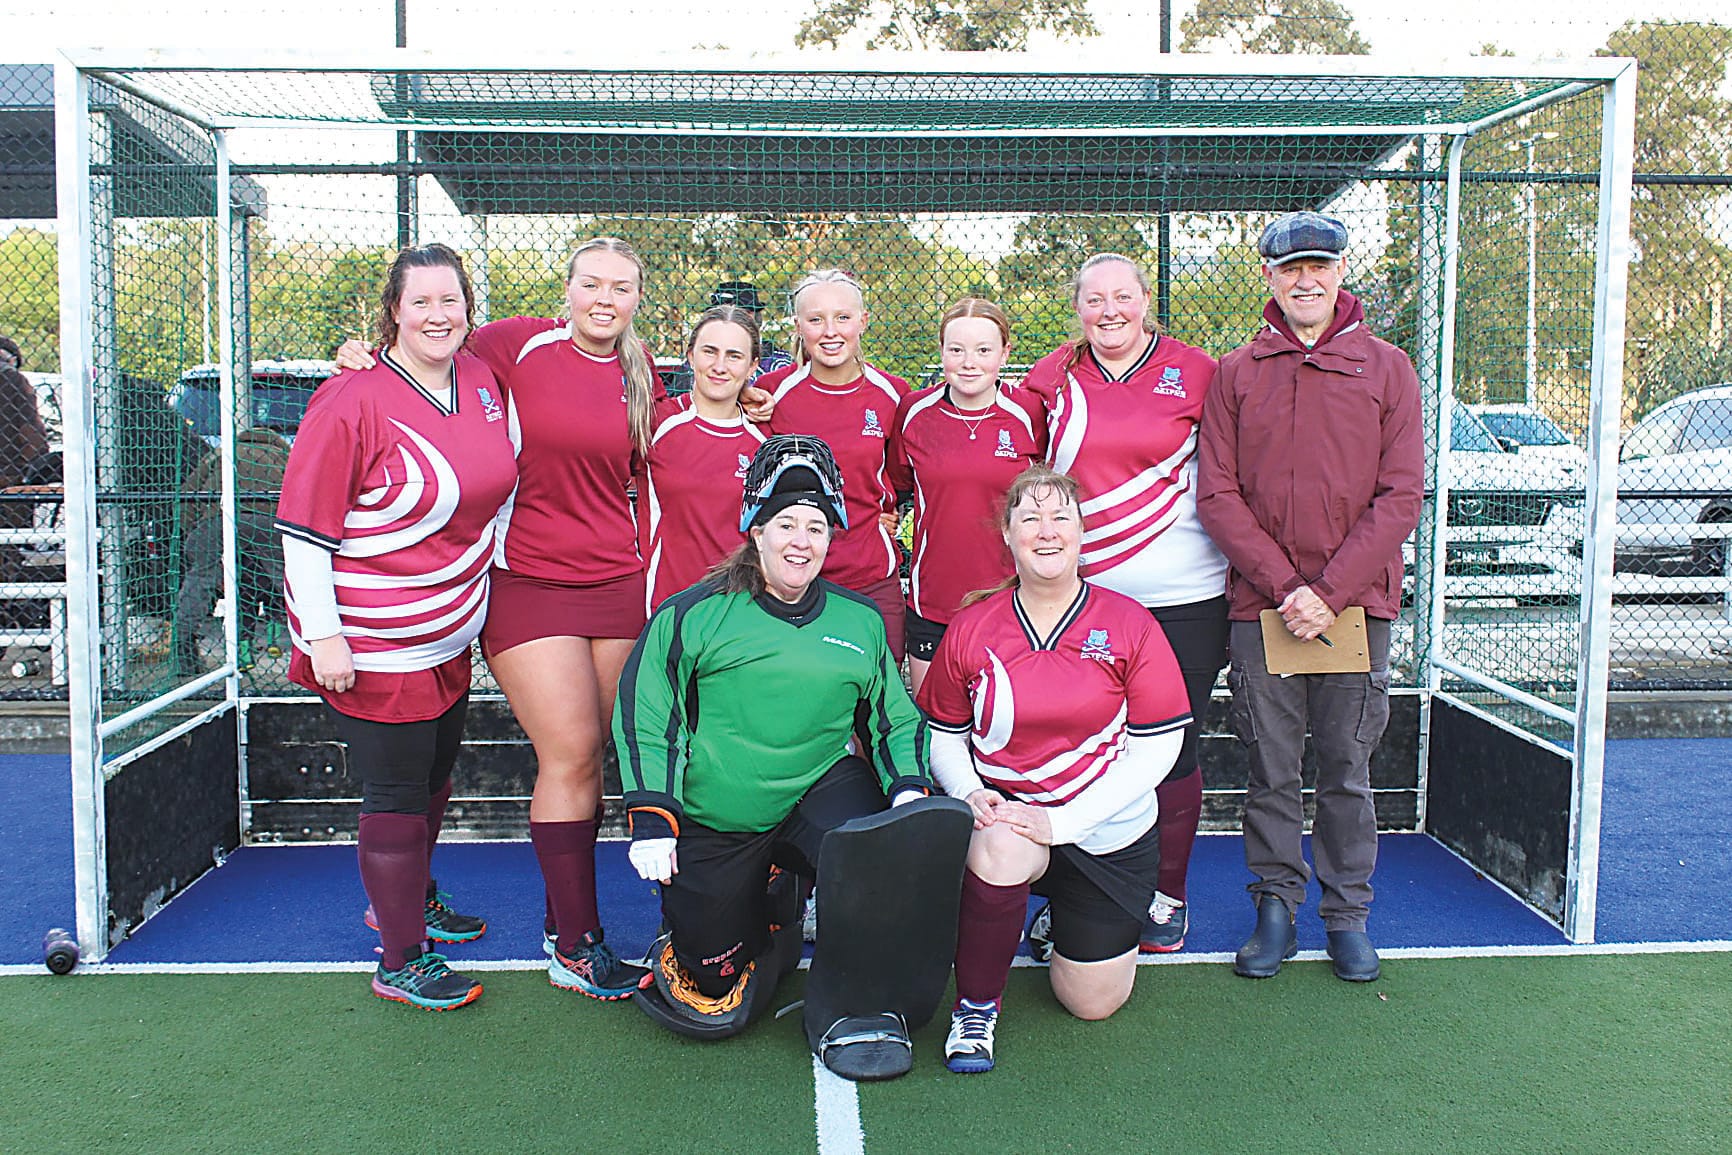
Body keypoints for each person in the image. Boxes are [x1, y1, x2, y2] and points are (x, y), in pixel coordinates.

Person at [334, 236, 672, 999]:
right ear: (569, 287)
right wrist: (361, 356)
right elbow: (421, 353)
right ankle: (577, 945)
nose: (604, 299)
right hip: (527, 581)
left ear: (637, 297)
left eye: (621, 287)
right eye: (591, 283)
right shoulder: (512, 345)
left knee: (607, 752)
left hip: (618, 583)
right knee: (573, 748)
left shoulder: (639, 368)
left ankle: (568, 922)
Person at [617, 435, 963, 1080]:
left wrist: (910, 786)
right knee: (715, 997)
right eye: (784, 524)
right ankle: (769, 911)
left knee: (876, 849)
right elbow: (647, 714)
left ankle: (853, 1007)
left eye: (816, 526)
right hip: (721, 810)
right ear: (754, 529)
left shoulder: (859, 621)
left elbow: (893, 716)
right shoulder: (693, 613)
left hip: (818, 790)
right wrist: (652, 814)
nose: (800, 540)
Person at [276, 243, 517, 1009]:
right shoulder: (351, 398)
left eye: (451, 300)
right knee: (395, 789)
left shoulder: (482, 380)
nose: (438, 315)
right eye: (421, 302)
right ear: (393, 312)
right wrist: (325, 635)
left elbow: (501, 482)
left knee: (437, 770)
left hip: (447, 631)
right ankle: (400, 956)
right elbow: (304, 528)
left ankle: (408, 897)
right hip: (373, 638)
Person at [1196, 211, 1424, 983]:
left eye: (1319, 266)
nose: (1305, 279)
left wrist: (1328, 593)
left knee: (1346, 765)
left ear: (1339, 272)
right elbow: (1218, 496)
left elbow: (1400, 497)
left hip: (1356, 608)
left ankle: (1347, 913)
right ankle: (1274, 907)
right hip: (1263, 608)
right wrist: (1288, 586)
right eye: (1290, 268)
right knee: (1270, 765)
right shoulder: (1237, 373)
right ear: (1268, 276)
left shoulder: (1387, 368)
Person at [918, 465, 1192, 1073]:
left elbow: (1159, 746)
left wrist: (1065, 821)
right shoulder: (972, 626)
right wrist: (968, 792)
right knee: (998, 850)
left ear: (1081, 531)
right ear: (1008, 536)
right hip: (1012, 819)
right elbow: (942, 733)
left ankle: (1058, 920)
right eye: (1030, 518)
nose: (1047, 531)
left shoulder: (1129, 623)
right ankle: (976, 1008)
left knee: (1092, 1003)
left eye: (1060, 517)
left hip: (1106, 831)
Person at [1019, 253, 1229, 954]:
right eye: (1093, 300)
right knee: (1084, 748)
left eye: (1123, 297)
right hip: (1085, 600)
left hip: (1185, 596)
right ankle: (1083, 895)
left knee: (1172, 748)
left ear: (1145, 300)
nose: (1109, 311)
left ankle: (1167, 896)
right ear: (1076, 307)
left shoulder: (1199, 370)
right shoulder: (1052, 376)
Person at [886, 298, 1043, 694]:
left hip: (1012, 598)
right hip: (934, 601)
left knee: (1006, 721)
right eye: (956, 350)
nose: (969, 362)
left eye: (983, 350)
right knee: (934, 725)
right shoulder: (914, 412)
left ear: (1005, 353)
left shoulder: (1029, 412)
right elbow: (897, 486)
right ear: (941, 351)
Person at [759, 269, 910, 657]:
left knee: (879, 695)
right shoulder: (771, 395)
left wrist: (887, 511)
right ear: (798, 326)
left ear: (863, 320)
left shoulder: (894, 395)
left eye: (842, 317)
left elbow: (898, 478)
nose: (830, 331)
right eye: (815, 319)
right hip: (792, 577)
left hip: (870, 574)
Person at [640, 304, 767, 615]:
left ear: (753, 367)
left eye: (734, 356)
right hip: (663, 606)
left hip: (737, 611)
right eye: (709, 351)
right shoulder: (656, 422)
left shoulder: (763, 442)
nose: (719, 366)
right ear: (690, 355)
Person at [707, 281, 794, 382]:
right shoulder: (697, 364)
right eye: (722, 314)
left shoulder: (782, 364)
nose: (731, 319)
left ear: (756, 317)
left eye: (742, 313)